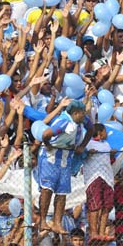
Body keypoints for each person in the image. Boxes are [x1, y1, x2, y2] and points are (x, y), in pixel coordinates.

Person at [37, 100, 90, 234]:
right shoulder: (64, 122)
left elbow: (92, 129)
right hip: (51, 157)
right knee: (47, 189)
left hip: (66, 158)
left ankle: (57, 223)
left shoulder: (81, 120)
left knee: (62, 192)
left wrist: (83, 145)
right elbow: (46, 134)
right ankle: (42, 221)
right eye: (83, 113)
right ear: (76, 113)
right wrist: (48, 145)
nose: (85, 116)